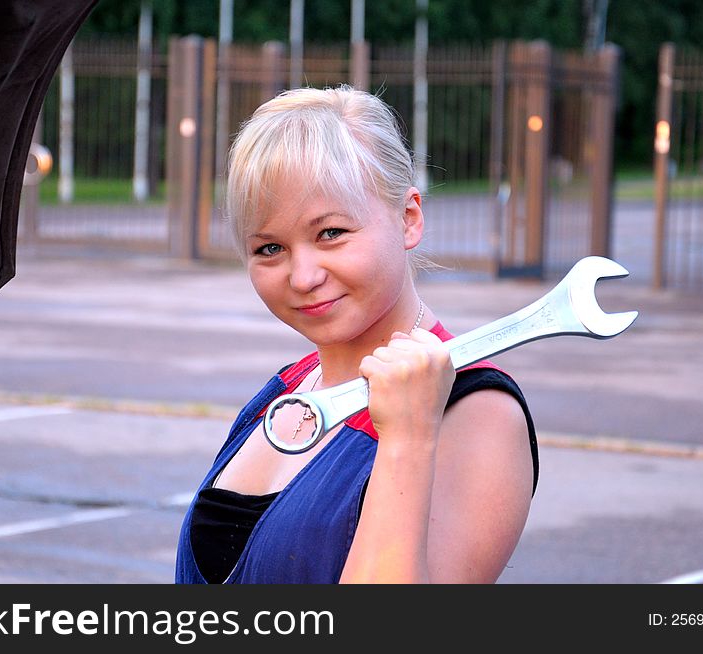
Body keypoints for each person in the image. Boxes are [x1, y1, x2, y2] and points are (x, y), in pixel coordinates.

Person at [175, 85, 537, 584]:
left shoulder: (476, 413)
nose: (303, 277)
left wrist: (407, 437)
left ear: (408, 218)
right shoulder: (288, 390)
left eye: (331, 233)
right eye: (269, 248)